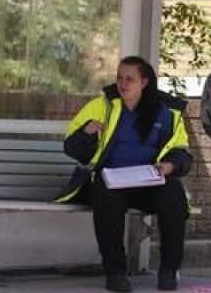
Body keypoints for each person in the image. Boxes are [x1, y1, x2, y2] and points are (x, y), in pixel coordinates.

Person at [57, 55, 192, 292]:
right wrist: (87, 133)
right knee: (106, 195)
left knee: (173, 195)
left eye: (130, 78)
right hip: (110, 180)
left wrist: (169, 166)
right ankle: (115, 272)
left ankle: (169, 270)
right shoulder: (102, 105)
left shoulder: (167, 112)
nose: (123, 83)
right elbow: (72, 148)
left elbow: (181, 152)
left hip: (147, 182)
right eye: (120, 77)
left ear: (145, 82)